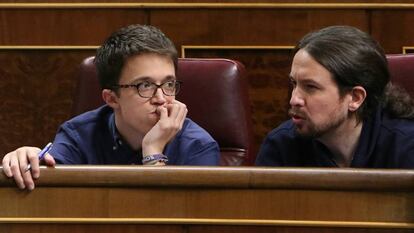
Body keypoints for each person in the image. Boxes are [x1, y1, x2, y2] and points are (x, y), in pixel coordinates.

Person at [2, 24, 220, 190]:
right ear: (112, 98)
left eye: (169, 84)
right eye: (145, 85)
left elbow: (167, 221)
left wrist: (153, 152)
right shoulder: (78, 135)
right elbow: (47, 190)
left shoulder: (198, 146)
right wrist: (27, 159)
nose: (161, 98)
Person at [256, 25, 414, 168]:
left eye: (310, 87)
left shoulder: (405, 147)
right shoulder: (280, 145)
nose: (294, 99)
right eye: (294, 84)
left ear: (355, 98)